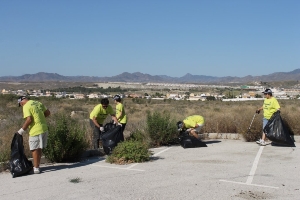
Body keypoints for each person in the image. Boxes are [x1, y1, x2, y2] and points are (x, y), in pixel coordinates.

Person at [17, 96, 51, 174]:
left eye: (20, 104)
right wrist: (40, 118)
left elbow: (29, 120)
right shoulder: (37, 103)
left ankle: (36, 168)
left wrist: (21, 130)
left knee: (34, 149)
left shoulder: (26, 106)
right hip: (44, 128)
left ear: (21, 102)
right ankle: (37, 166)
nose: (21, 105)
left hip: (35, 130)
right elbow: (48, 112)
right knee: (38, 148)